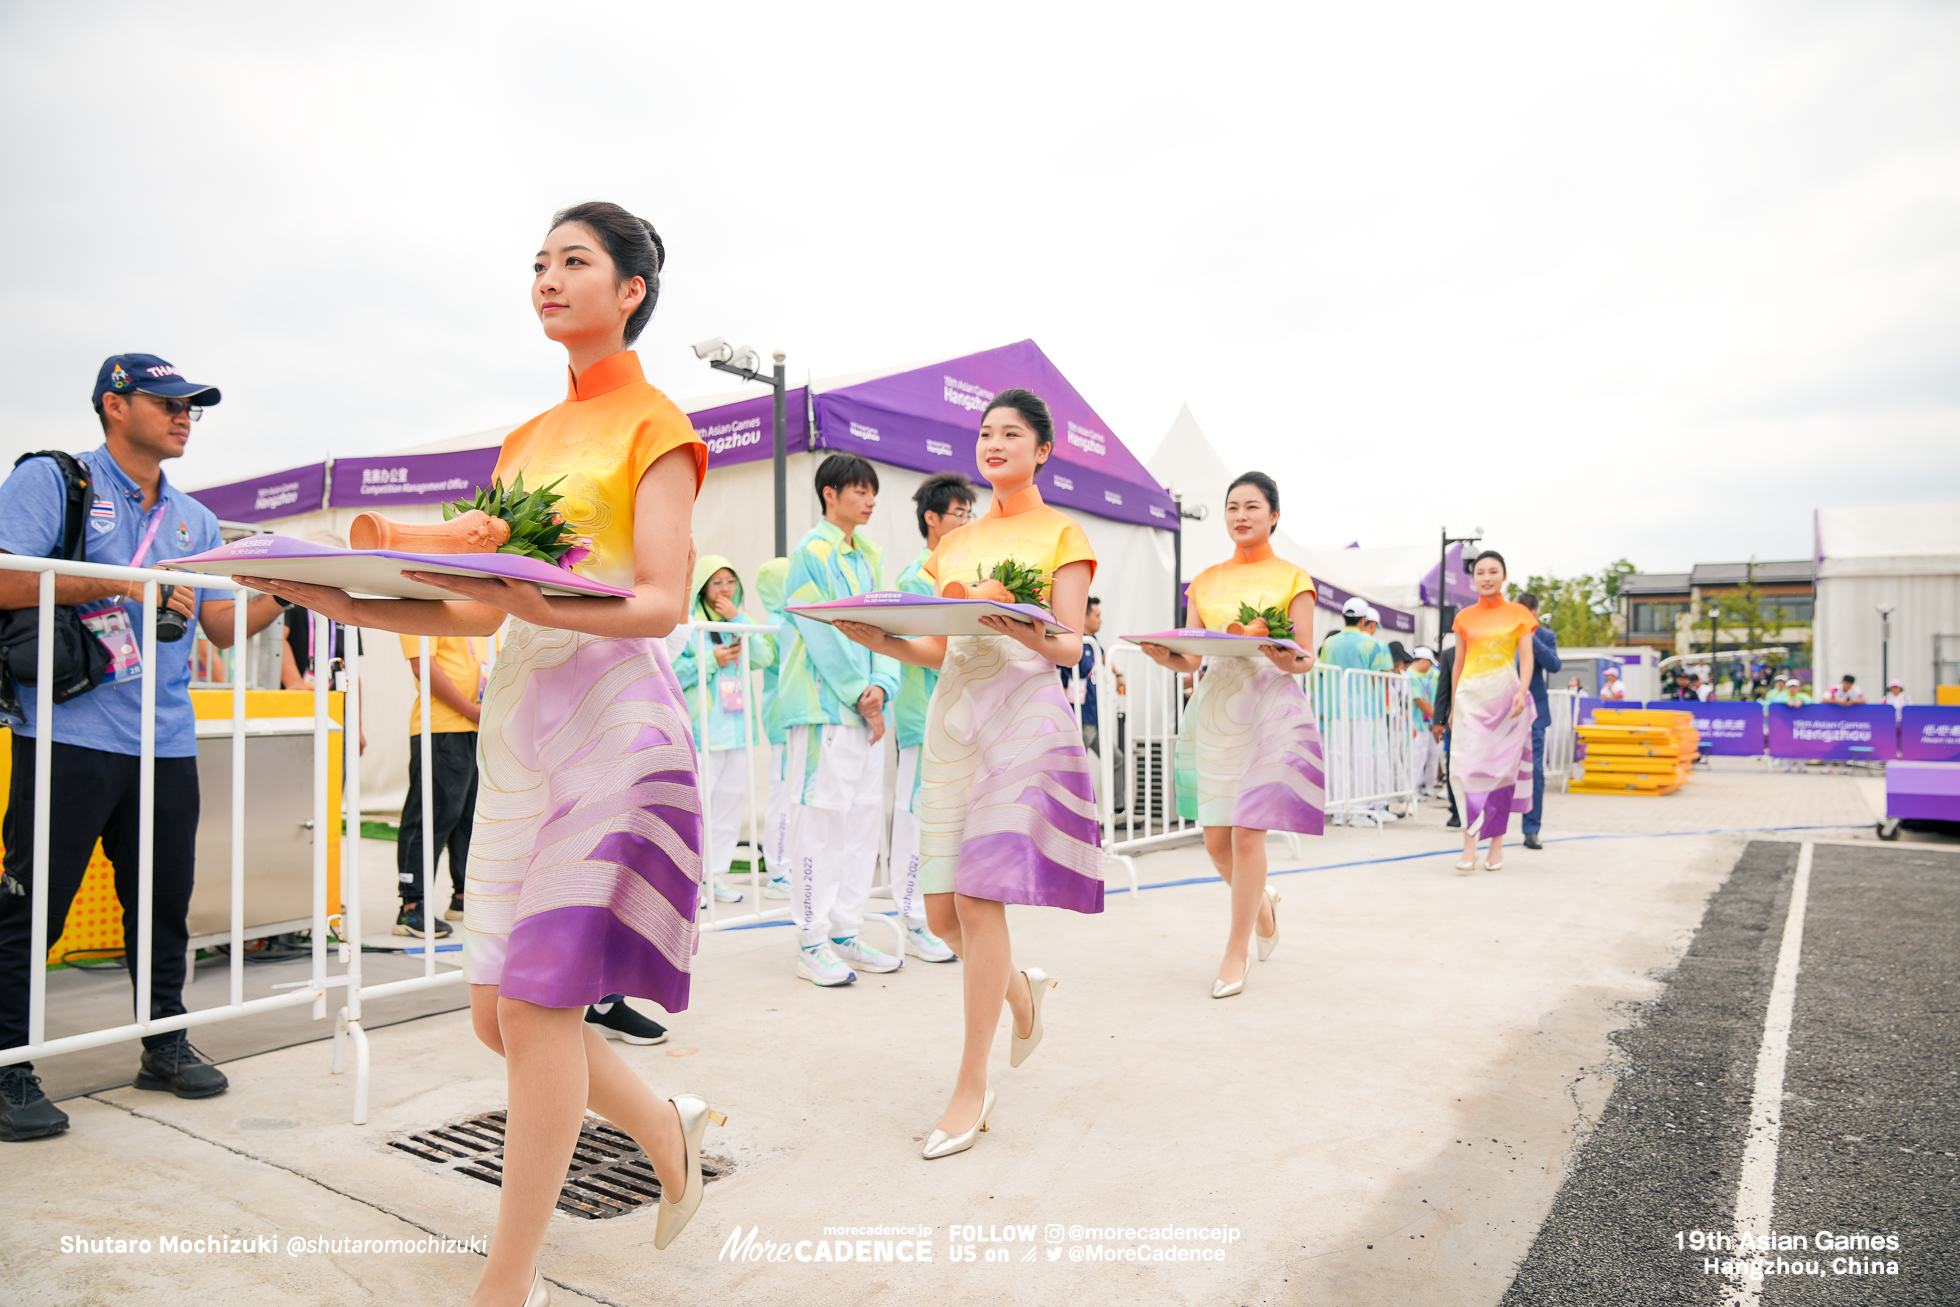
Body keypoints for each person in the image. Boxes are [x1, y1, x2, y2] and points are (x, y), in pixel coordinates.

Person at [239, 202, 724, 1303]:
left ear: (631, 290)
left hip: (612, 736)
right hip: (519, 739)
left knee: (542, 1005)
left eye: (574, 262)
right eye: (540, 263)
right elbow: (472, 613)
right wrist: (321, 595)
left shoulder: (660, 427)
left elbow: (656, 604)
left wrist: (512, 589)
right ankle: (666, 1126)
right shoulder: (523, 442)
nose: (548, 278)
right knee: (496, 1014)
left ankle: (506, 1281)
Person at [0, 354, 287, 1142]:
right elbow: (4, 578)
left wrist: (291, 588)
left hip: (165, 742)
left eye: (193, 404)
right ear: (112, 404)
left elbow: (221, 628)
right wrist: (122, 583)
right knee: (35, 906)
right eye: (167, 401)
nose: (185, 413)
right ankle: (8, 1064)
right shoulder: (54, 482)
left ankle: (163, 1041)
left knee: (162, 906)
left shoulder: (194, 518)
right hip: (64, 732)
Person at [833, 387, 1100, 1159]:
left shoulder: (1064, 533)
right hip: (956, 723)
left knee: (979, 904)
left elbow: (1067, 646)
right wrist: (875, 636)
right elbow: (942, 648)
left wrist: (1010, 615)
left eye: (1011, 433)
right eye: (986, 433)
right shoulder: (950, 546)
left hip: (1021, 723)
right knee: (943, 912)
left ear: (1043, 449)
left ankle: (970, 1085)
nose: (994, 443)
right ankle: (1022, 990)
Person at [1138, 471, 1320, 998]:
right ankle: (1262, 904)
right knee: (1216, 841)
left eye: (1253, 507)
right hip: (1217, 710)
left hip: (1270, 710)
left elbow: (1305, 658)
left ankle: (1236, 950)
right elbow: (1192, 658)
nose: (1241, 515)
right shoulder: (1204, 581)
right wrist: (1164, 654)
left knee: (1246, 833)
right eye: (1233, 507)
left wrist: (1285, 656)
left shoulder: (1295, 579)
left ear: (1274, 515)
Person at [777, 453, 904, 987]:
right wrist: (859, 693)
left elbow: (884, 625)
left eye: (873, 491)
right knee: (821, 823)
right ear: (830, 494)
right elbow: (818, 631)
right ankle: (812, 939)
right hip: (825, 708)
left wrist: (883, 686)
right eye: (860, 490)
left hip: (865, 712)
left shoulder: (867, 556)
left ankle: (846, 930)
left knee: (861, 822)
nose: (870, 500)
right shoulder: (810, 553)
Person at [888, 473, 975, 965]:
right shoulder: (914, 578)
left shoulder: (962, 575)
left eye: (969, 513)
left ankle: (933, 915)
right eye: (958, 513)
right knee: (914, 818)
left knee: (943, 822)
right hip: (922, 716)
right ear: (932, 519)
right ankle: (912, 917)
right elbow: (925, 647)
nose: (965, 521)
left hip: (955, 720)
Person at [674, 555, 774, 908]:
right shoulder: (686, 624)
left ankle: (715, 876)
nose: (725, 589)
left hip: (738, 732)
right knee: (699, 808)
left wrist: (739, 619)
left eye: (730, 581)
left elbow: (763, 657)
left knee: (731, 804)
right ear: (702, 586)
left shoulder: (738, 623)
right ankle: (690, 880)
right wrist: (710, 662)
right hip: (703, 732)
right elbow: (672, 670)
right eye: (716, 582)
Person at [392, 634, 487, 940]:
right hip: (441, 726)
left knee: (470, 820)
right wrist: (471, 710)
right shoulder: (423, 603)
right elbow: (424, 667)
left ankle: (463, 897)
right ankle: (411, 906)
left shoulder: (480, 609)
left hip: (477, 727)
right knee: (430, 818)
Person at [1447, 551, 1536, 874]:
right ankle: (1469, 843)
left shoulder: (1520, 614)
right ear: (1474, 578)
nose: (1486, 577)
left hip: (1506, 703)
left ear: (1504, 576)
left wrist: (1523, 691)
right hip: (1471, 701)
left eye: (1493, 571)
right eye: (1480, 572)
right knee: (1464, 771)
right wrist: (1454, 705)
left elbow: (1526, 658)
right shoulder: (1464, 617)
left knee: (1501, 774)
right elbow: (1458, 663)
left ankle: (1496, 843)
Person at [752, 557, 794, 901]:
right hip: (784, 722)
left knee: (794, 795)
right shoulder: (778, 622)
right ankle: (778, 871)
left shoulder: (791, 620)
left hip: (796, 719)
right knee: (782, 794)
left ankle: (787, 865)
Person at [1515, 592, 1562, 852]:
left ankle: (1531, 829)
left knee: (1534, 772)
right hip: (1505, 709)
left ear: (1534, 612)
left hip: (1534, 712)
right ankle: (1490, 824)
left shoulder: (1544, 636)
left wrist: (1533, 641)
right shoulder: (1504, 633)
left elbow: (1555, 665)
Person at [1431, 642, 1460, 826]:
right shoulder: (1449, 655)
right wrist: (1438, 721)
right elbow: (1443, 691)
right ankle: (1456, 811)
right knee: (1453, 765)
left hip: (1482, 721)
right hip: (1455, 721)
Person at [1319, 598, 1394, 671]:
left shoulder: (1328, 642)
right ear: (1363, 619)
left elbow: (1322, 671)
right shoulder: (1378, 644)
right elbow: (1385, 677)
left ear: (1342, 615)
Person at [1409, 646, 1441, 795]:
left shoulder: (1430, 675)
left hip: (1424, 724)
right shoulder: (1411, 676)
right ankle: (1413, 790)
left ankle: (1425, 786)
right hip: (1415, 724)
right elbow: (1418, 700)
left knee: (1425, 757)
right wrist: (1437, 717)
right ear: (1423, 661)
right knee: (1415, 759)